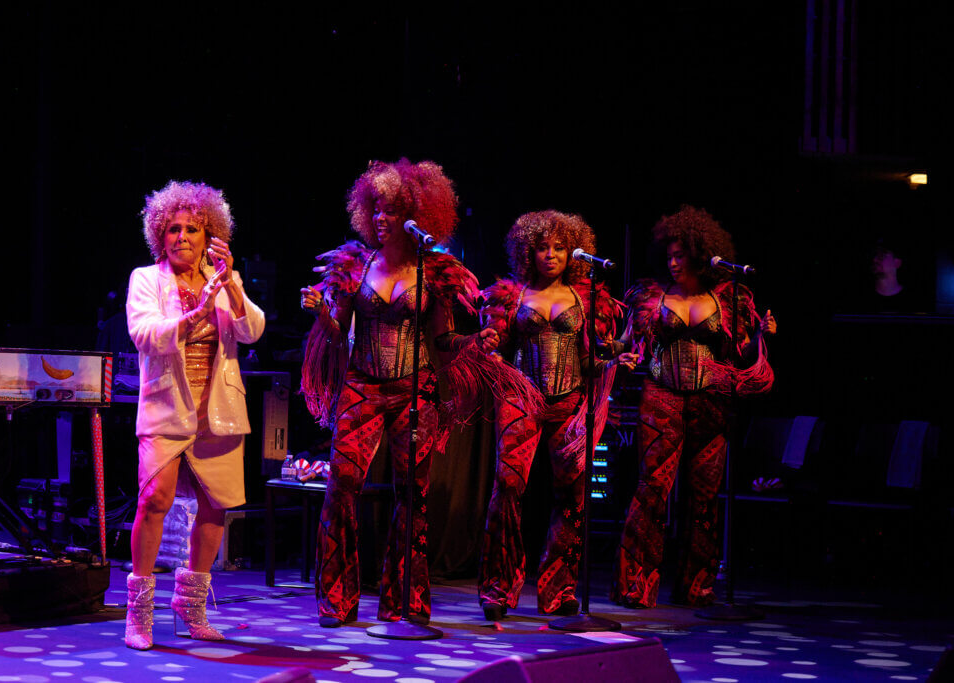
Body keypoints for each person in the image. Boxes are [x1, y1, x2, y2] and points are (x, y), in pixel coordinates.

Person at [299, 159, 502, 627]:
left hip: (417, 389)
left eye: (392, 210)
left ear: (419, 215)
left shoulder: (435, 273)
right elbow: (337, 332)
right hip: (362, 385)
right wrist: (319, 313)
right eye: (376, 209)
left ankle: (404, 602)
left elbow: (444, 339)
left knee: (413, 494)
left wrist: (477, 343)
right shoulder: (355, 266)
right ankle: (337, 600)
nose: (381, 218)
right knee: (342, 485)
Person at [476, 210, 638, 620]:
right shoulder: (512, 296)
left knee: (572, 495)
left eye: (560, 247)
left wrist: (616, 358)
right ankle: (498, 587)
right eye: (543, 247)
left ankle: (559, 588)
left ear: (573, 252)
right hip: (522, 398)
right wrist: (492, 349)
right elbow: (497, 347)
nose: (551, 255)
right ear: (527, 251)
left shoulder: (587, 299)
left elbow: (591, 356)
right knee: (508, 486)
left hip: (569, 401)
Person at [124, 181, 265, 649]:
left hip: (218, 409)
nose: (182, 237)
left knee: (216, 505)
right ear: (160, 235)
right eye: (173, 229)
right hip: (167, 405)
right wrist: (193, 315)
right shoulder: (146, 279)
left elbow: (252, 331)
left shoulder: (225, 280)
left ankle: (191, 603)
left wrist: (231, 289)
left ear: (210, 236)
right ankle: (140, 611)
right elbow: (144, 333)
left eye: (193, 229)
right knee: (155, 499)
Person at [612, 205, 776, 609]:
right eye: (668, 255)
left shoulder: (729, 300)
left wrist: (760, 334)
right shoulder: (652, 297)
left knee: (704, 497)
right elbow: (628, 341)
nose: (672, 262)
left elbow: (741, 355)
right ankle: (636, 584)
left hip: (711, 400)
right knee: (652, 491)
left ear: (702, 254)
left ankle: (697, 585)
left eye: (680, 255)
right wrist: (613, 353)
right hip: (661, 396)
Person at [861, 241, 921, 313]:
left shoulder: (914, 301)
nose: (875, 259)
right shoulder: (862, 300)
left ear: (897, 263)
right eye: (874, 255)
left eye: (882, 255)